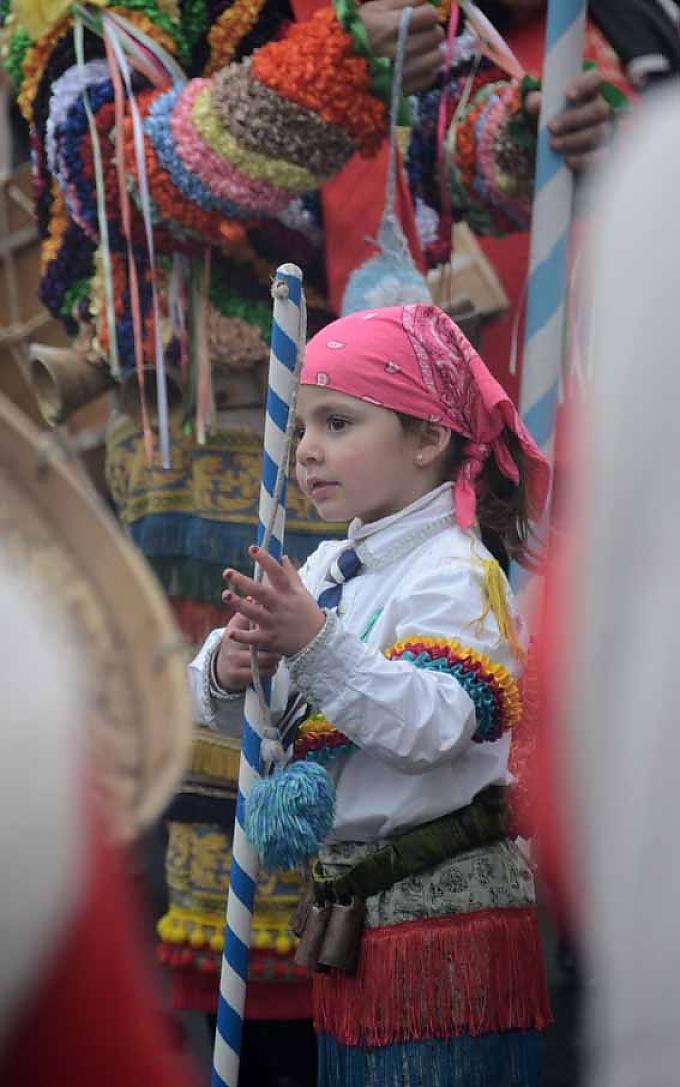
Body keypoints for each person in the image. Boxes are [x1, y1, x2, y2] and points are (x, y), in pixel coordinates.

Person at [189, 302, 552, 1087]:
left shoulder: (458, 573)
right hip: (356, 928)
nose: (307, 450)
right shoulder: (323, 569)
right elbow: (241, 718)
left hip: (444, 935)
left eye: (338, 423)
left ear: (426, 439)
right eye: (302, 428)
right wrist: (230, 667)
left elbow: (430, 727)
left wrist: (314, 641)